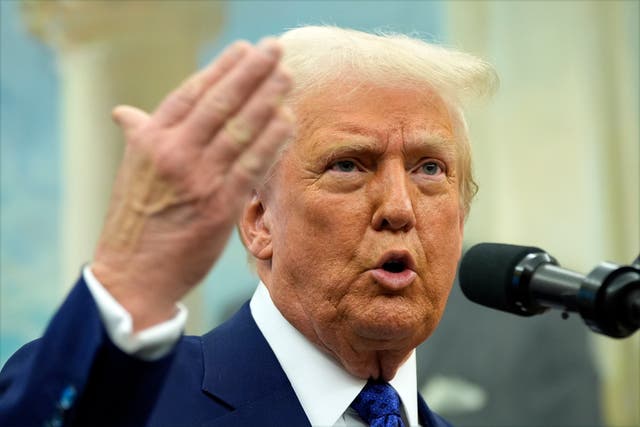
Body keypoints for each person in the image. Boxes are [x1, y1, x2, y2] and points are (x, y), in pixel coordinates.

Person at [0, 26, 497, 426]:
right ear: (260, 220)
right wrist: (128, 282)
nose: (400, 207)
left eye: (429, 168)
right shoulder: (142, 403)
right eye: (348, 164)